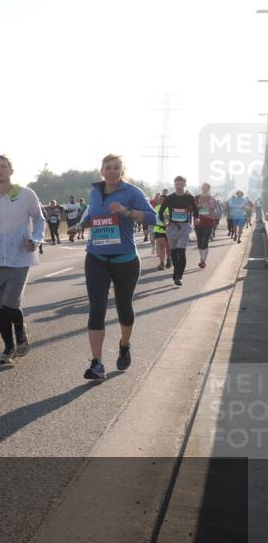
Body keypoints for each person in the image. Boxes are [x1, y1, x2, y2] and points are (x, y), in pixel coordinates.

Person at [69, 154, 156, 380]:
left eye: (117, 168)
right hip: (96, 257)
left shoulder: (132, 192)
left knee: (123, 306)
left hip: (125, 260)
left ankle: (124, 344)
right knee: (96, 308)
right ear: (102, 170)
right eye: (108, 167)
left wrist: (126, 212)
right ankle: (97, 362)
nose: (112, 171)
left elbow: (152, 218)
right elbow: (91, 214)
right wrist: (79, 225)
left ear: (122, 170)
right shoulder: (95, 191)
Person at [0, 156, 46, 363]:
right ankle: (8, 347)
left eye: (3, 166)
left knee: (10, 302)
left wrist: (35, 239)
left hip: (20, 257)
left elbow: (40, 220)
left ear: (11, 171)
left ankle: (21, 331)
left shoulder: (26, 194)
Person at [158, 176, 199, 287]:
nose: (179, 186)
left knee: (181, 251)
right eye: (177, 184)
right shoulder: (170, 198)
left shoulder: (189, 197)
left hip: (184, 227)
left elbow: (195, 209)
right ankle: (176, 271)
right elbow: (161, 211)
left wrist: (197, 218)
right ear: (174, 185)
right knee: (174, 253)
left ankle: (179, 276)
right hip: (172, 227)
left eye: (181, 184)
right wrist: (165, 222)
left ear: (185, 184)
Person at [194, 182, 218, 269]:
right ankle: (202, 258)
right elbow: (192, 207)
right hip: (198, 222)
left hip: (209, 222)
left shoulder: (211, 198)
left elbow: (212, 208)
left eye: (207, 187)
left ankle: (203, 261)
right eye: (203, 187)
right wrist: (198, 206)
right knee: (200, 242)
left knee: (205, 241)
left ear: (209, 189)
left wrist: (205, 206)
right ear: (201, 188)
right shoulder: (196, 197)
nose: (205, 189)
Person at [152, 193, 170, 269]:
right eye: (160, 199)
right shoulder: (156, 208)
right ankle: (162, 263)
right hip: (158, 229)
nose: (161, 201)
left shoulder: (170, 208)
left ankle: (169, 259)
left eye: (162, 200)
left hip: (169, 230)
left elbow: (168, 219)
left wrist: (167, 222)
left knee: (168, 247)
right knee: (161, 246)